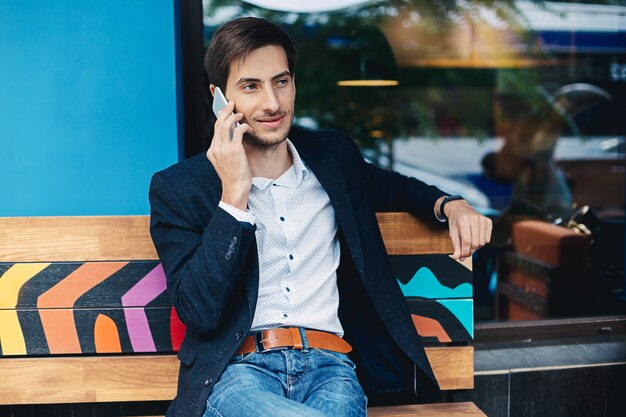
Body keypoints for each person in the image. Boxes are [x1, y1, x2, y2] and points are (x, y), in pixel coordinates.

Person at [149, 17, 492, 417]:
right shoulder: (180, 188)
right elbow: (199, 311)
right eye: (250, 87)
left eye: (281, 82)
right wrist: (233, 196)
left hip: (332, 369)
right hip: (238, 373)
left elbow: (395, 188)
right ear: (219, 97)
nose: (272, 103)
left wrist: (452, 205)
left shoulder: (332, 159)